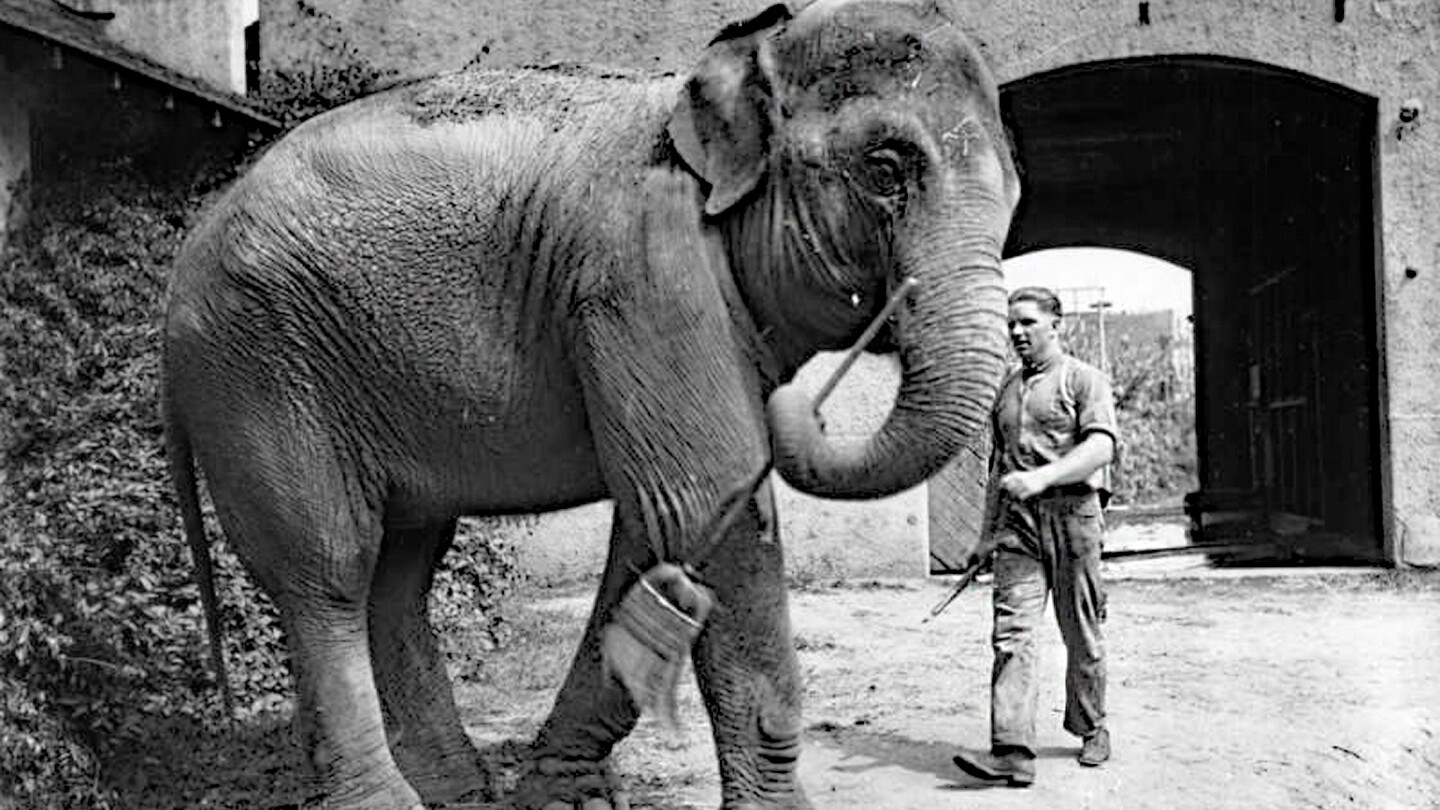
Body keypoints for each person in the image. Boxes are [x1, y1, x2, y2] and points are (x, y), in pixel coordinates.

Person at [952, 285, 1118, 787]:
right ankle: (1012, 751)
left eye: (1027, 322)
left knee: (1081, 633)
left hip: (1074, 519)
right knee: (1012, 635)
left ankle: (1092, 727)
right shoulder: (1006, 389)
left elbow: (1101, 449)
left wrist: (1044, 478)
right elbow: (998, 466)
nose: (1017, 333)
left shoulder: (1083, 380)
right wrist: (984, 536)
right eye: (1012, 325)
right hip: (1018, 527)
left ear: (1056, 324)